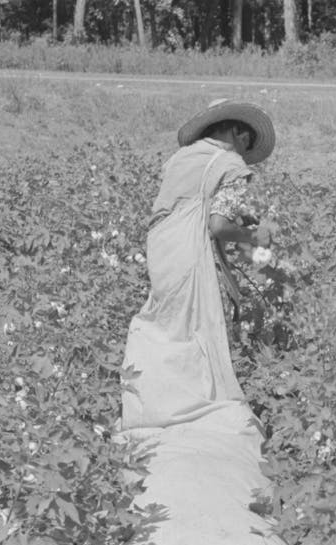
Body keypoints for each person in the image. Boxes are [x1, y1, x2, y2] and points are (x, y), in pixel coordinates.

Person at [120, 99, 277, 430]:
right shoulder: (231, 164)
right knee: (198, 324)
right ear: (236, 132)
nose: (245, 151)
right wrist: (254, 236)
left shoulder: (182, 158)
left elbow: (189, 201)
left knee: (167, 321)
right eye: (246, 142)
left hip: (162, 244)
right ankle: (189, 403)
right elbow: (216, 226)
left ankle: (150, 397)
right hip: (189, 248)